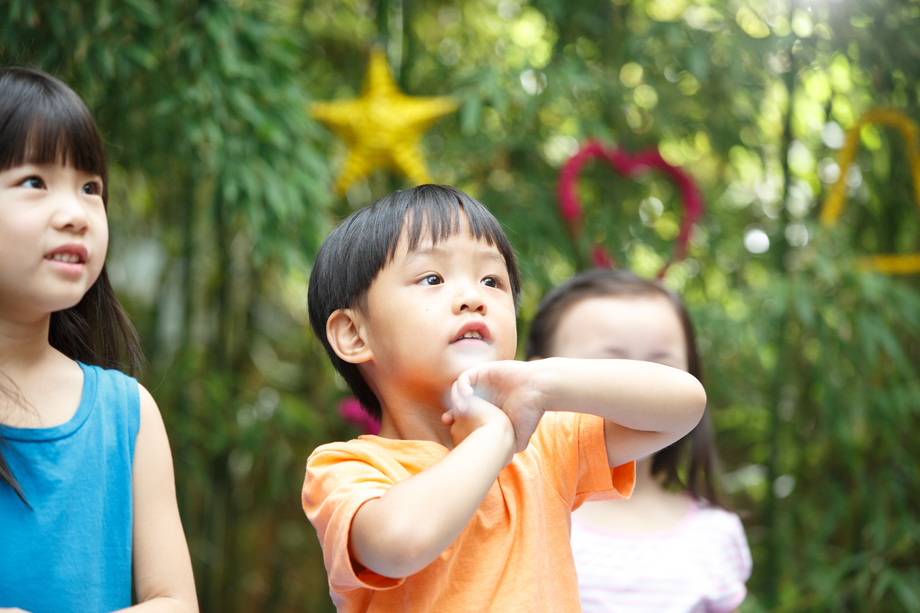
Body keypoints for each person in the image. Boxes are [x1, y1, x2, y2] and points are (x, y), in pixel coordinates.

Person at [302, 184, 707, 612]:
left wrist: (543, 382)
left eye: (492, 280)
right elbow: (400, 543)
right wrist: (492, 438)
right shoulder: (346, 469)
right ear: (353, 334)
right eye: (432, 278)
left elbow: (682, 405)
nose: (474, 298)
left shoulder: (542, 444)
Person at [0, 67, 198, 613]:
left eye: (91, 188)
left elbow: (174, 601)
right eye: (34, 181)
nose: (76, 215)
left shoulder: (127, 413)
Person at [526, 268, 752, 613]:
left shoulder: (716, 535)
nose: (637, 388)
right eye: (612, 366)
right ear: (536, 376)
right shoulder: (514, 515)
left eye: (660, 369)